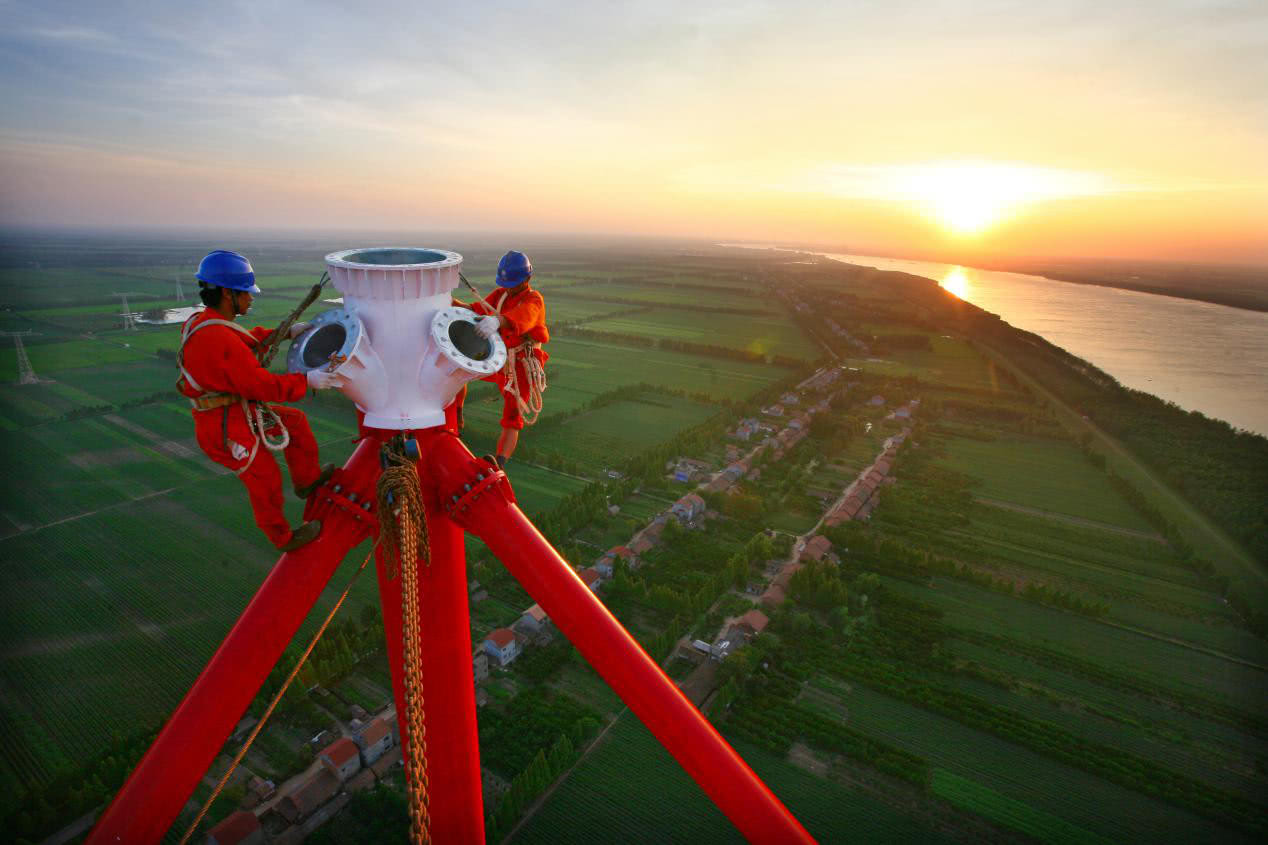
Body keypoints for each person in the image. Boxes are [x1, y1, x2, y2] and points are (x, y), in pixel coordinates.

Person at [177, 250, 339, 551]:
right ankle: (283, 538)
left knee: (295, 423)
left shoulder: (206, 322)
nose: (251, 299)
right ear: (227, 293)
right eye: (246, 293)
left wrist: (287, 332)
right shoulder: (215, 338)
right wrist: (307, 381)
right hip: (224, 426)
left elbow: (244, 342)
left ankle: (307, 480)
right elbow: (261, 386)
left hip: (234, 411)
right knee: (264, 478)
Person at [455, 250, 549, 467]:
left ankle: (499, 464)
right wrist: (449, 302)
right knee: (459, 371)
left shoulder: (534, 299)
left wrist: (500, 321)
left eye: (514, 283)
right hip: (499, 358)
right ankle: (457, 416)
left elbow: (525, 316)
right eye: (507, 283)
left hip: (522, 364)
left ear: (528, 278)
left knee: (513, 417)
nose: (509, 287)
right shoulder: (501, 294)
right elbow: (475, 309)